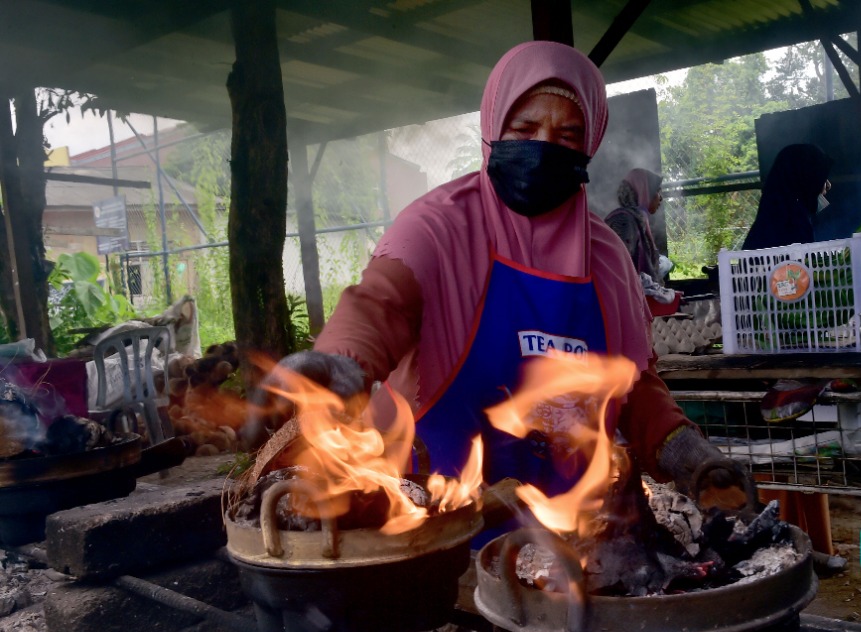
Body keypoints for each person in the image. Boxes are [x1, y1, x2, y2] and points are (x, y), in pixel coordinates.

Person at [244, 41, 752, 518]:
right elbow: (380, 304)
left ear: (589, 144)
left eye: (567, 137)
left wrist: (688, 453)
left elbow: (634, 385)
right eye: (524, 130)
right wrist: (340, 361)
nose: (543, 148)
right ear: (493, 128)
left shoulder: (607, 258)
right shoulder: (438, 227)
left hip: (566, 535)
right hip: (435, 525)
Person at [742, 142, 845, 575]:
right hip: (780, 349)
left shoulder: (775, 212)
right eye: (822, 176)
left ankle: (806, 547)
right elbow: (795, 291)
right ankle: (796, 549)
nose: (826, 187)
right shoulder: (793, 219)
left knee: (791, 455)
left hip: (768, 345)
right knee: (791, 455)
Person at [741, 143, 832, 251]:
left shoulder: (772, 214)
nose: (828, 185)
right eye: (820, 177)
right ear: (805, 178)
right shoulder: (793, 224)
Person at [605, 168, 665, 284]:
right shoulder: (625, 221)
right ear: (644, 191)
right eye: (657, 191)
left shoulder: (636, 218)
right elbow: (621, 272)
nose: (661, 198)